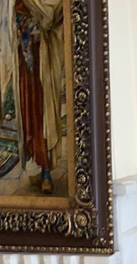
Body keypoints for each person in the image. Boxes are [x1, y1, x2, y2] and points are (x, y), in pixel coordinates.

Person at [0, 0, 64, 195]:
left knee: (41, 114)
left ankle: (46, 171)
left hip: (41, 56)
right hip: (22, 53)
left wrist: (37, 16)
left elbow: (54, 11)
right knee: (28, 114)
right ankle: (39, 165)